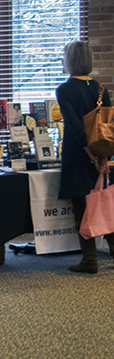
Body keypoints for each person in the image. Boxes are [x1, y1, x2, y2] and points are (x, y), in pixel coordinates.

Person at [56, 40, 114, 273]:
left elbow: (75, 127)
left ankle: (89, 260)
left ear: (70, 61)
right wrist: (102, 156)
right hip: (101, 154)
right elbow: (108, 126)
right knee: (105, 204)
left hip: (77, 155)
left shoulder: (64, 90)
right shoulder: (101, 89)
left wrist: (90, 154)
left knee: (82, 208)